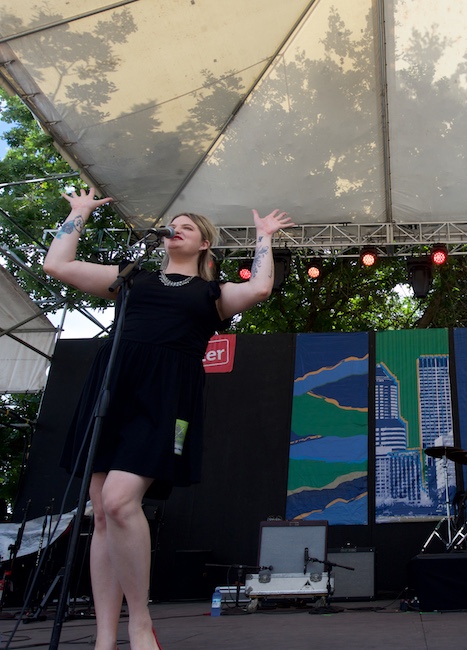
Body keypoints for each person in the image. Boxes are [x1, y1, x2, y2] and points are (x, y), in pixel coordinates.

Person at [43, 188, 294, 650]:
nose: (175, 229)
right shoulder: (131, 277)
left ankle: (140, 622)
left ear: (204, 243)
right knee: (102, 513)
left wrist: (264, 238)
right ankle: (104, 638)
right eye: (172, 225)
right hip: (113, 387)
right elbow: (57, 265)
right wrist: (78, 213)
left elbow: (259, 288)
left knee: (119, 501)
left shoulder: (212, 294)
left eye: (187, 227)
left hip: (166, 396)